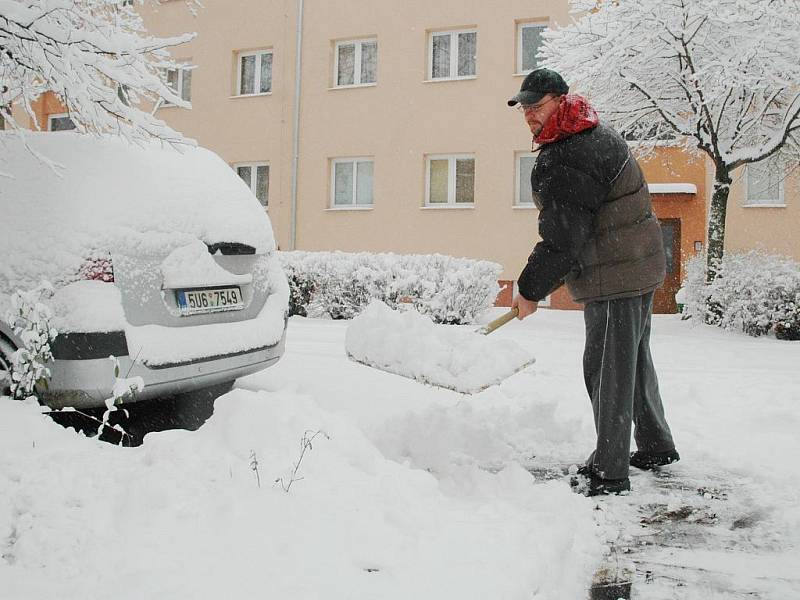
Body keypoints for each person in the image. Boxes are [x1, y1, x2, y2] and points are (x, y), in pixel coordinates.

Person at [507, 68, 679, 496]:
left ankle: (609, 470)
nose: (529, 114)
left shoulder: (570, 153)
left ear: (561, 101)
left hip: (615, 273)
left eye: (537, 105)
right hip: (636, 266)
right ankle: (655, 445)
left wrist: (529, 289)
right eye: (524, 107)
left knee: (607, 370)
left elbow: (563, 237)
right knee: (632, 363)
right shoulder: (594, 133)